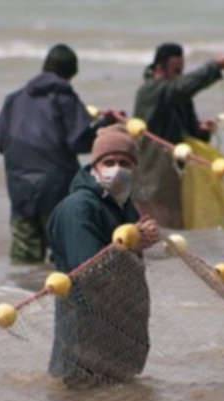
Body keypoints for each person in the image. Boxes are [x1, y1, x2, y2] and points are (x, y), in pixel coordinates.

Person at [47, 124, 160, 387]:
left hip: (116, 336)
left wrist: (141, 241)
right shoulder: (80, 209)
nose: (117, 169)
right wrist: (132, 245)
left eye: (125, 162)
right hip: (84, 343)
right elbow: (87, 271)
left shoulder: (122, 206)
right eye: (109, 162)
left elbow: (122, 259)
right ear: (95, 166)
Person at [0, 43, 119, 265]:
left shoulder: (14, 99)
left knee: (24, 258)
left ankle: (18, 294)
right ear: (72, 73)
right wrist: (106, 123)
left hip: (20, 189)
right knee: (63, 256)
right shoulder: (65, 99)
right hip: (56, 189)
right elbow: (79, 141)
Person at [132, 42, 224, 229]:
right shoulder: (150, 92)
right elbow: (180, 88)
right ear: (159, 68)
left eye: (181, 72)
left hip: (177, 178)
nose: (180, 77)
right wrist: (214, 67)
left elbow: (191, 133)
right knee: (155, 235)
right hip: (152, 181)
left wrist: (202, 131)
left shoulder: (180, 97)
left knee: (178, 233)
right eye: (175, 72)